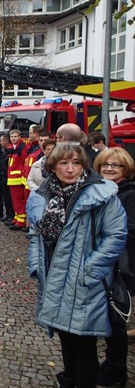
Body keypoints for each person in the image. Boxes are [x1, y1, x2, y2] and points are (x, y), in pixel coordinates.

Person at [26, 143, 127, 388]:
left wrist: (89, 271)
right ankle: (70, 380)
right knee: (65, 335)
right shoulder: (44, 194)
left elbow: (115, 235)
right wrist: (36, 265)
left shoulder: (100, 194)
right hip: (53, 275)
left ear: (84, 165)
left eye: (76, 163)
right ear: (53, 166)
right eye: (63, 163)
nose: (70, 169)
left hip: (82, 279)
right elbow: (34, 233)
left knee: (83, 341)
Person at [93, 147, 135, 387]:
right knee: (108, 318)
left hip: (122, 265)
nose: (109, 168)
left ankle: (118, 369)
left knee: (117, 319)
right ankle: (111, 362)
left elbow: (129, 230)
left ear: (125, 169)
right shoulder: (101, 191)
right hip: (104, 263)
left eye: (116, 165)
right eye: (105, 164)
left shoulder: (129, 194)